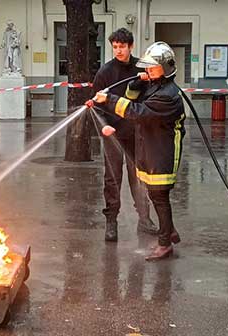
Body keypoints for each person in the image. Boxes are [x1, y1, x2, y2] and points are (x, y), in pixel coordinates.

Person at [93, 41, 185, 260]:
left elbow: (138, 112)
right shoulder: (156, 85)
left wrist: (110, 99)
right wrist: (136, 83)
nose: (147, 71)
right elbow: (134, 98)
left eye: (152, 68)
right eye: (147, 68)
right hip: (152, 146)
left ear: (166, 68)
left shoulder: (167, 94)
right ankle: (169, 231)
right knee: (155, 194)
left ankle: (165, 244)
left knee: (159, 196)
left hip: (162, 150)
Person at [92, 28, 157, 242]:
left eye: (122, 47)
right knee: (112, 179)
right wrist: (104, 126)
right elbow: (97, 103)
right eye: (115, 47)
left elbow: (151, 98)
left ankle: (144, 219)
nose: (118, 51)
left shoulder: (142, 69)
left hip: (136, 133)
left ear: (130, 46)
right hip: (112, 133)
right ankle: (111, 222)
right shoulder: (105, 72)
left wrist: (146, 79)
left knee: (139, 177)